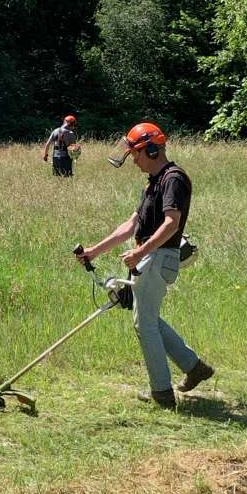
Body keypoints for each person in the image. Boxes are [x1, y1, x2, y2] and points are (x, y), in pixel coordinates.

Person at [76, 122, 214, 409]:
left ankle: (162, 393)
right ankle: (194, 367)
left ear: (151, 149)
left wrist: (140, 253)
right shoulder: (154, 180)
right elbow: (132, 224)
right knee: (149, 318)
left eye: (136, 154)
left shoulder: (173, 179)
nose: (133, 160)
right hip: (151, 256)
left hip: (160, 256)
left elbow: (171, 223)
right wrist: (94, 251)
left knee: (144, 323)